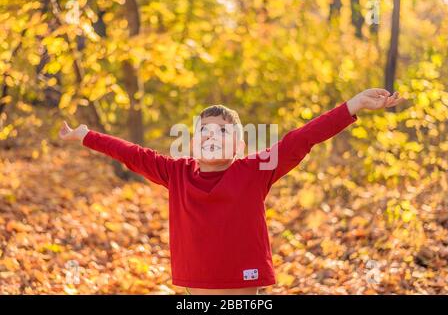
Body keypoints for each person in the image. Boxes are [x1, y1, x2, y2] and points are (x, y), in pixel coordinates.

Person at [59, 89, 406, 295]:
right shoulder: (175, 172)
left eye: (222, 132)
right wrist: (87, 136)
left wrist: (352, 106)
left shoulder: (254, 170)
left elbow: (303, 138)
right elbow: (132, 154)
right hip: (195, 286)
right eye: (204, 131)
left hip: (245, 283)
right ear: (192, 143)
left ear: (239, 145)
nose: (212, 136)